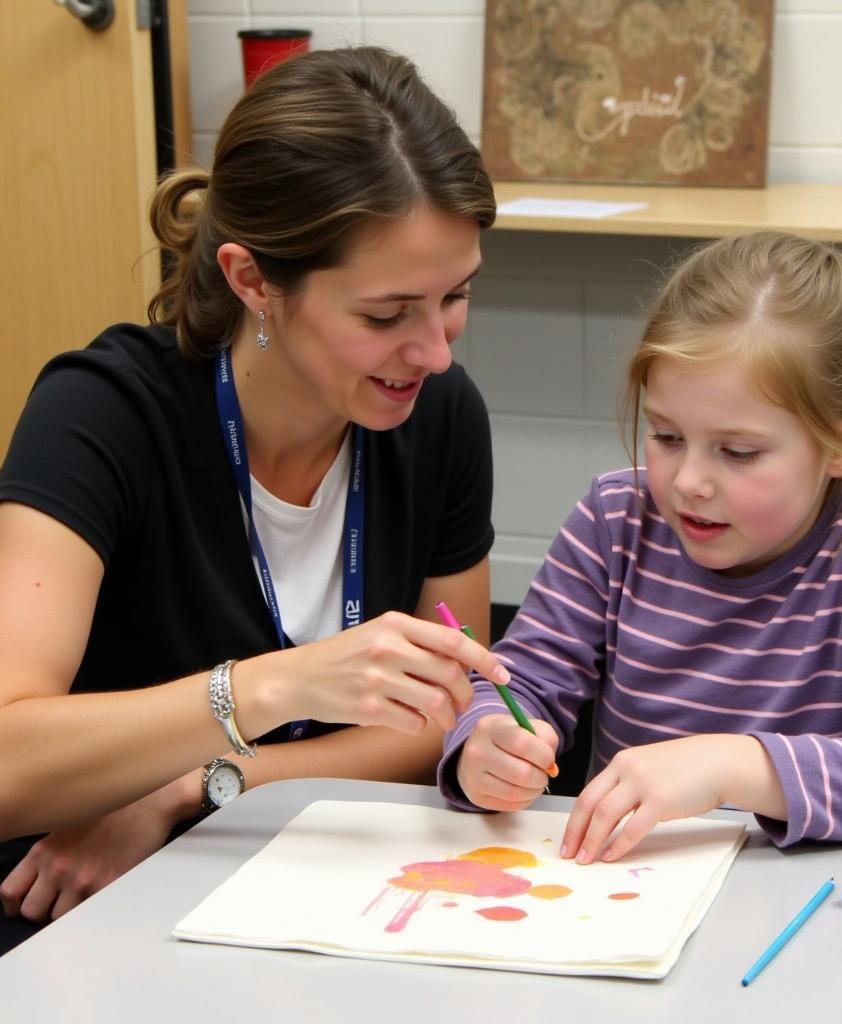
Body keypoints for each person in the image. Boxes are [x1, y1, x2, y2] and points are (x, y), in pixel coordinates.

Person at [0, 46, 512, 951]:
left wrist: (189, 783)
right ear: (250, 280)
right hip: (84, 903)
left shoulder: (440, 418)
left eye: (456, 297)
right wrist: (271, 687)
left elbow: (442, 715)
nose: (435, 352)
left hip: (315, 873)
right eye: (386, 315)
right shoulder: (103, 413)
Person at [440, 230, 842, 863]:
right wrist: (481, 744)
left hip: (799, 913)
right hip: (628, 896)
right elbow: (518, 685)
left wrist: (734, 765)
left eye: (738, 452)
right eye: (666, 436)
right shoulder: (615, 521)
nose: (688, 484)